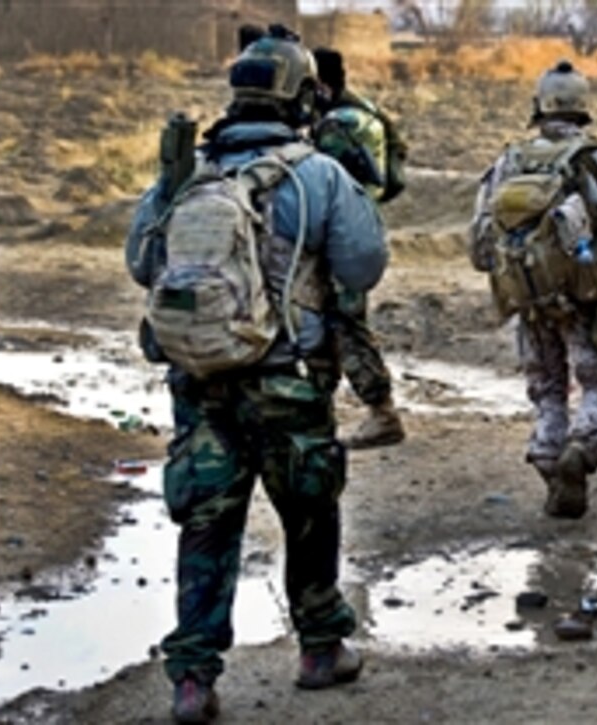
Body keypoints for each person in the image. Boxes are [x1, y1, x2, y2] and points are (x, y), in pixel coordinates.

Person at [125, 32, 387, 723]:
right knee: (308, 510)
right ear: (301, 96)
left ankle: (192, 679)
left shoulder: (188, 173)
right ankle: (321, 648)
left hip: (200, 382)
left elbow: (139, 263)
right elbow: (363, 266)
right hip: (288, 380)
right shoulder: (317, 172)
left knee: (207, 524)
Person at [468, 60, 597, 519]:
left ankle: (550, 459)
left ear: (540, 105)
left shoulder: (508, 161)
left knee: (548, 390)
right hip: (589, 297)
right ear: (583, 107)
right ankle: (583, 449)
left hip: (529, 299)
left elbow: (478, 244)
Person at [310, 46, 408, 449]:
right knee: (332, 322)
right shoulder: (362, 111)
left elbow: (317, 180)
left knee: (346, 323)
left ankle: (382, 413)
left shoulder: (338, 125)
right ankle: (321, 410)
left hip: (342, 237)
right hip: (355, 229)